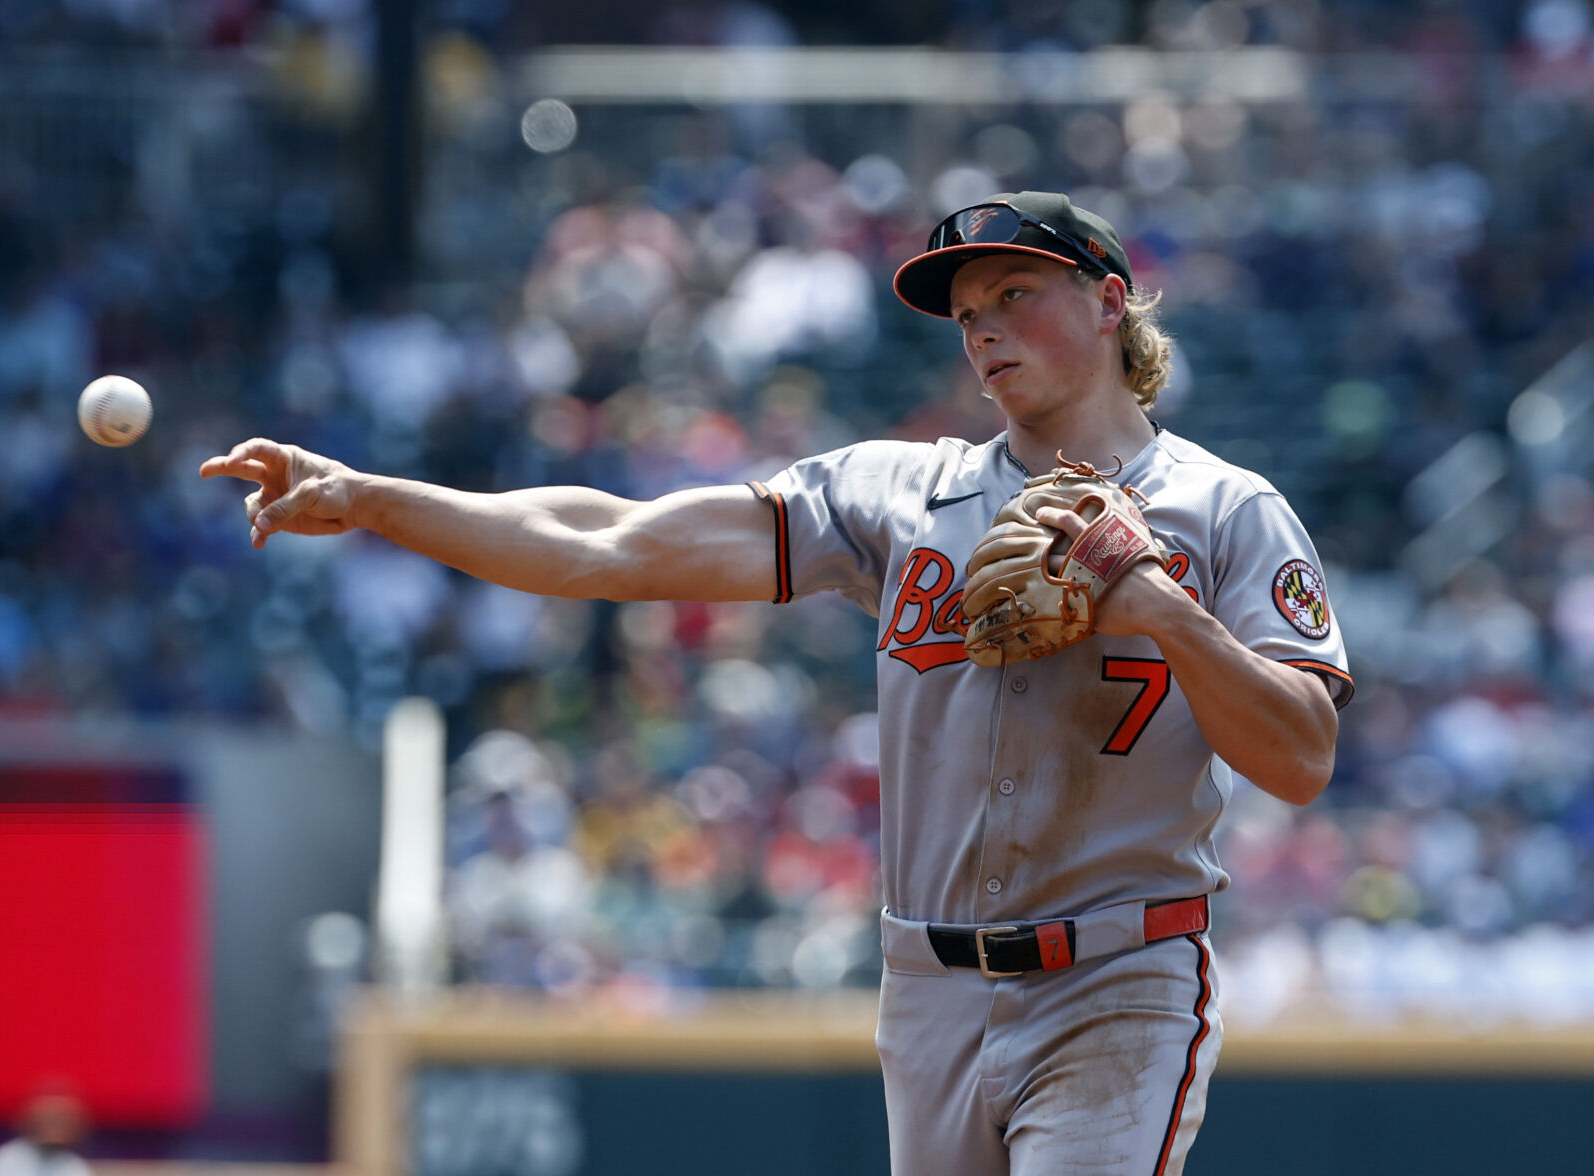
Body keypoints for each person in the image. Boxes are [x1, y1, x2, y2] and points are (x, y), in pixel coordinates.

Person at [202, 191, 1350, 1175]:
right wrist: (373, 499)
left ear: (1108, 301)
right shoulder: (899, 496)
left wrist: (1157, 608)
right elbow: (613, 544)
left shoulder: (1222, 510)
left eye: (1013, 294)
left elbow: (1300, 757)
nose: (984, 332)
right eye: (965, 315)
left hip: (1116, 978)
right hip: (927, 989)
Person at [0, 1090, 94, 1176]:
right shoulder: (4, 1161)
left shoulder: (75, 1167)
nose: (53, 1129)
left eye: (60, 1121)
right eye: (49, 1120)